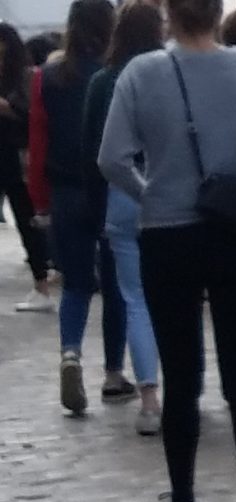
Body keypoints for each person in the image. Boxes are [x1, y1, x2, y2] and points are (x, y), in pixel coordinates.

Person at [99, 0, 236, 502]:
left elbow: (112, 158)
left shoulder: (143, 72)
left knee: (182, 375)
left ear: (170, 16)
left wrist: (153, 194)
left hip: (170, 236)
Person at [30, 0, 127, 415]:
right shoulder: (117, 76)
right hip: (110, 189)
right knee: (116, 284)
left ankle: (70, 352)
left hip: (67, 191)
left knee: (75, 284)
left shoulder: (49, 77)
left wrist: (40, 198)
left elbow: (39, 144)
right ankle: (114, 374)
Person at [82, 0, 165, 436]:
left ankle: (149, 398)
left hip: (122, 198)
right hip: (169, 196)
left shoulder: (104, 80)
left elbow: (93, 152)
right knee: (176, 297)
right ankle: (184, 386)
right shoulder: (169, 75)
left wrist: (98, 210)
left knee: (135, 299)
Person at [0, 22, 53, 314]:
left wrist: (7, 108)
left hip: (18, 157)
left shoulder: (25, 76)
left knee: (27, 221)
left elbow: (32, 116)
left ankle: (41, 285)